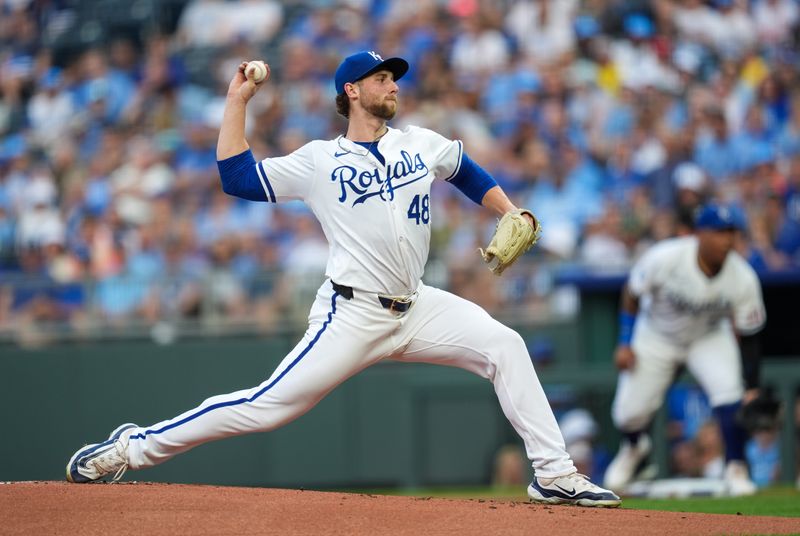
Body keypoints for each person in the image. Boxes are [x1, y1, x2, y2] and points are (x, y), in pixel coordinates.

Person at [65, 51, 620, 507]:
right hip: (351, 313)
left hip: (418, 304)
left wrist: (509, 209)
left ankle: (555, 474)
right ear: (351, 90)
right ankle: (132, 448)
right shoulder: (319, 161)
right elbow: (236, 178)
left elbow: (465, 169)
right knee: (267, 406)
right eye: (381, 78)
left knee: (506, 344)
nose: (392, 85)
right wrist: (237, 102)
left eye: (393, 78)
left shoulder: (418, 143)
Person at [603, 203, 767, 496]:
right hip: (657, 334)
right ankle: (634, 448)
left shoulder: (743, 277)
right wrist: (625, 342)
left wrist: (752, 386)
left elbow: (750, 333)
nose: (727, 240)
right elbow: (632, 293)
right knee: (628, 415)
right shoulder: (667, 257)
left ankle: (736, 467)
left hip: (707, 336)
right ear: (700, 234)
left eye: (731, 232)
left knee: (729, 392)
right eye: (719, 232)